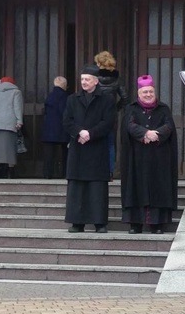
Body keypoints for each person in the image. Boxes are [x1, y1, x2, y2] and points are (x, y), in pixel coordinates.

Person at [120, 74, 178, 234]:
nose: (148, 95)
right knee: (136, 188)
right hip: (136, 158)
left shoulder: (164, 108)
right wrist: (144, 133)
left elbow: (169, 125)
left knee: (158, 188)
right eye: (145, 92)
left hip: (159, 157)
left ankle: (157, 224)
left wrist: (156, 134)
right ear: (139, 94)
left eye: (150, 92)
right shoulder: (131, 108)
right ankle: (135, 224)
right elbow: (129, 125)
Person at [63, 65, 116, 233]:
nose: (84, 82)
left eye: (87, 79)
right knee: (77, 188)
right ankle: (77, 222)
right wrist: (79, 132)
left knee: (97, 187)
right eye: (82, 80)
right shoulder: (72, 99)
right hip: (78, 147)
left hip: (97, 147)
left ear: (95, 81)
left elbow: (108, 122)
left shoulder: (107, 99)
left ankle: (99, 223)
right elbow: (66, 120)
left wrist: (90, 133)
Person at [94, 51, 128, 181]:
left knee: (95, 141)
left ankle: (97, 169)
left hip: (96, 113)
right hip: (111, 114)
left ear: (99, 63)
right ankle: (109, 171)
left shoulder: (95, 78)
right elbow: (125, 98)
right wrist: (115, 108)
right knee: (110, 143)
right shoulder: (117, 78)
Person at [0, 76, 23, 178]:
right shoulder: (16, 93)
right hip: (8, 123)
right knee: (9, 148)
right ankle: (10, 172)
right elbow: (17, 108)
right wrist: (19, 121)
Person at [41, 76, 70, 179]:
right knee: (65, 152)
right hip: (61, 127)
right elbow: (64, 111)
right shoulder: (64, 96)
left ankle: (47, 173)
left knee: (49, 153)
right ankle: (65, 173)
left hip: (49, 128)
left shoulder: (49, 95)